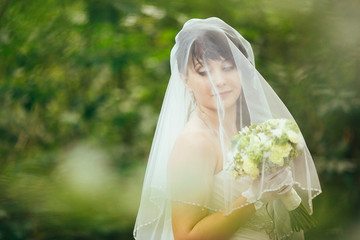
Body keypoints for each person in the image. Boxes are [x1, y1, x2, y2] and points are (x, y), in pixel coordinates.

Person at [134, 17, 321, 240]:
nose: (219, 80)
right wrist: (255, 196)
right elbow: (185, 236)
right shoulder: (195, 142)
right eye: (204, 72)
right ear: (185, 80)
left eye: (228, 67)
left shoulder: (248, 131)